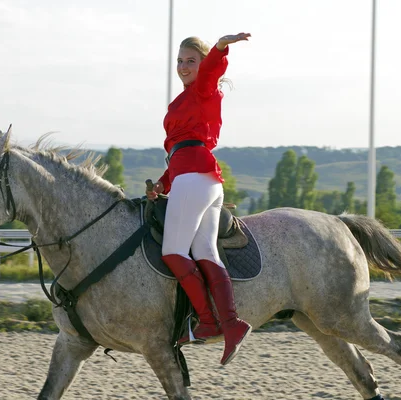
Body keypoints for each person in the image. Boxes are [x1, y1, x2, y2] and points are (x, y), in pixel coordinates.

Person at [146, 33, 252, 366]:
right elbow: (180, 150)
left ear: (202, 64)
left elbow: (210, 72)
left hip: (194, 179)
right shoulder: (186, 99)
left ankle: (208, 322)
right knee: (204, 251)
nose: (183, 66)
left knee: (173, 252)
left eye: (190, 60)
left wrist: (221, 47)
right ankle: (232, 324)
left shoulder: (204, 88)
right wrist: (163, 185)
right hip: (201, 178)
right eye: (179, 61)